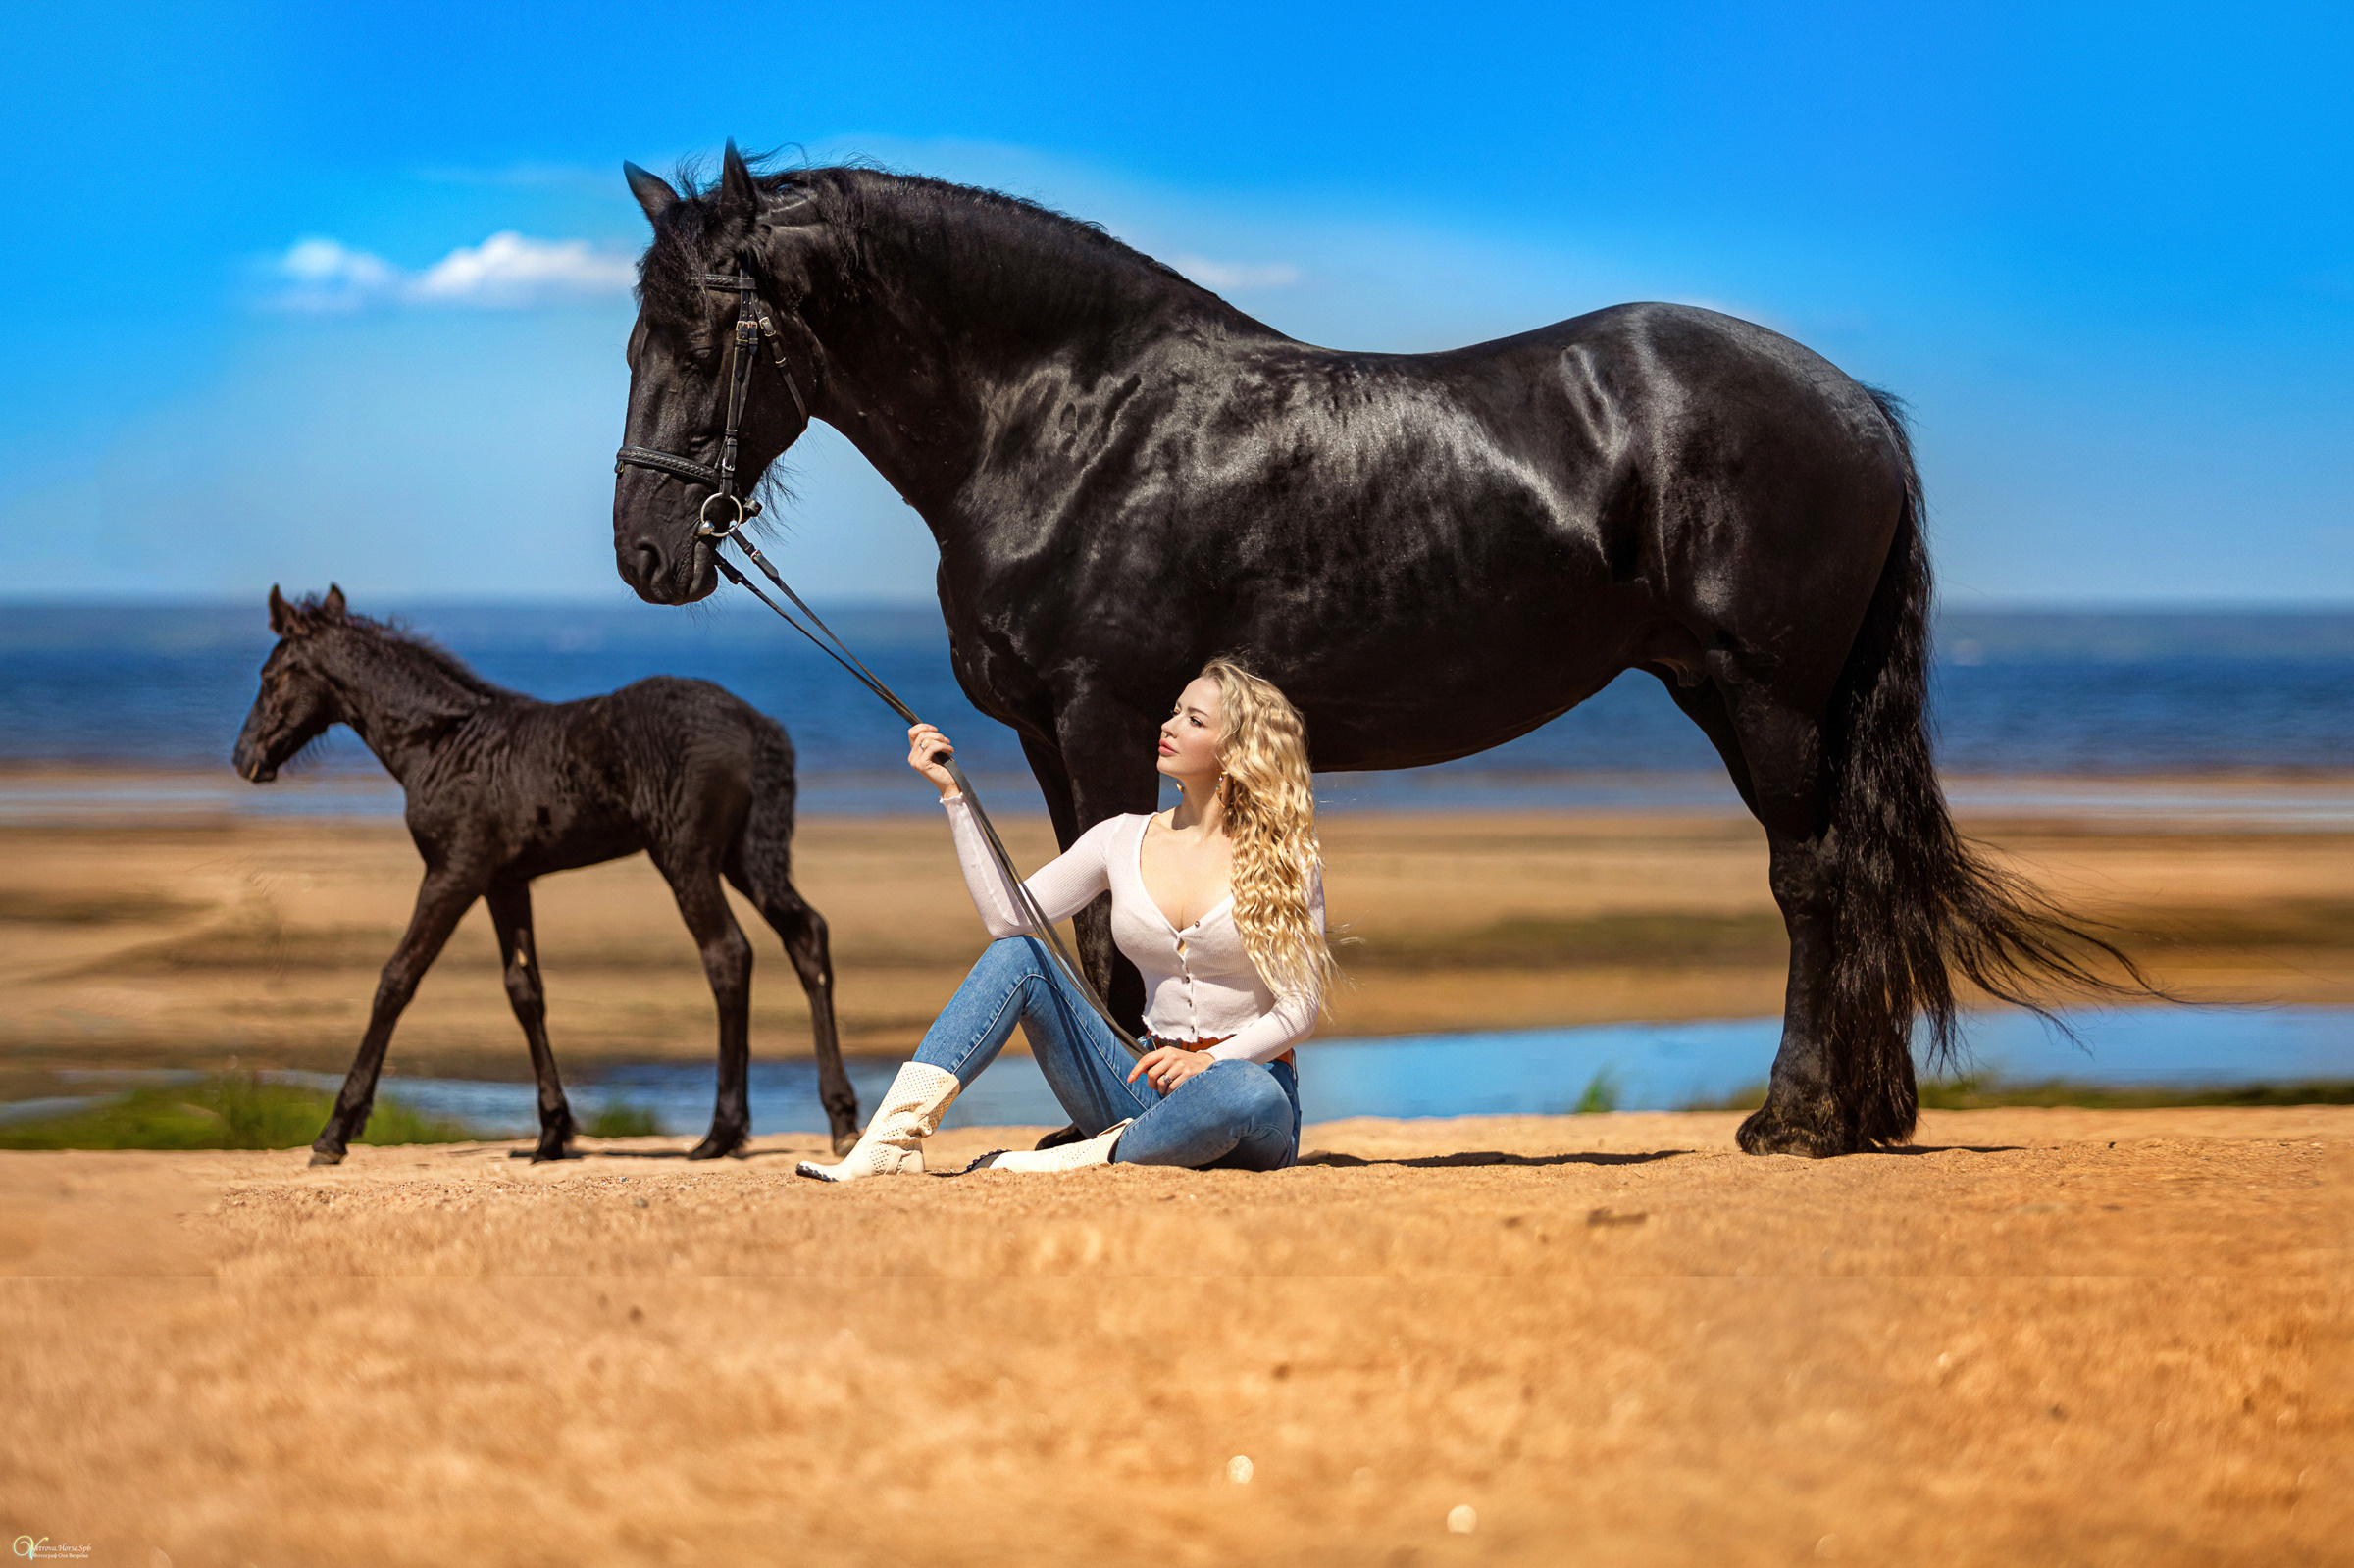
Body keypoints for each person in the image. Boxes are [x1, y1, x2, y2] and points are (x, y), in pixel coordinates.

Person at [797, 658, 1335, 1180]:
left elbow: (1300, 1010)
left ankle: (1077, 1158)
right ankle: (891, 1139)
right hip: (1142, 1085)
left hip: (1246, 1100)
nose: (1168, 726)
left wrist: (1211, 1062)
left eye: (1194, 720)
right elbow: (1009, 918)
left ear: (1235, 750)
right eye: (1175, 711)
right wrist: (954, 794)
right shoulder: (1120, 838)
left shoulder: (1284, 858)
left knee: (1246, 1090)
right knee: (1021, 954)